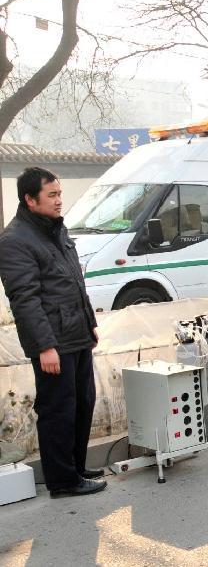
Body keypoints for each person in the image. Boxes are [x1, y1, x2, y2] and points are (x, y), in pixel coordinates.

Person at [0, 167, 106, 498]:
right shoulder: (15, 241)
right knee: (58, 410)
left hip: (76, 335)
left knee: (82, 403)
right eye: (53, 195)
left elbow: (73, 281)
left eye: (60, 194)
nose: (60, 201)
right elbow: (25, 300)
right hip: (53, 343)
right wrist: (45, 346)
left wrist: (90, 322)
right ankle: (62, 481)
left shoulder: (55, 230)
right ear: (30, 200)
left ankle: (75, 467)